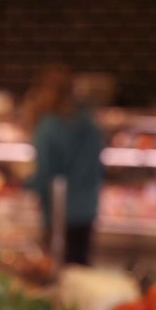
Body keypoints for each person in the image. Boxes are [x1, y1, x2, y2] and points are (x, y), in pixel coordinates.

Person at [26, 65, 102, 267]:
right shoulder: (89, 123)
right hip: (87, 210)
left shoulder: (47, 128)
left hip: (58, 214)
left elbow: (44, 177)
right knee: (79, 272)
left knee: (58, 275)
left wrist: (22, 183)